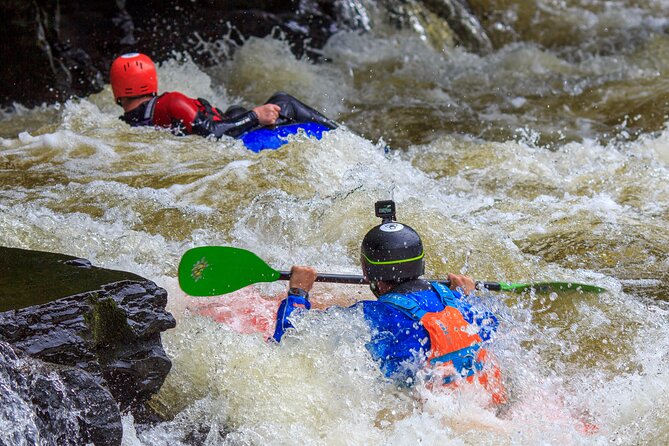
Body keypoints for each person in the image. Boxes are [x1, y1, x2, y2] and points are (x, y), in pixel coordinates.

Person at [272, 201, 507, 406]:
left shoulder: (372, 315)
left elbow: (292, 341)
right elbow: (493, 330)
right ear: (421, 265)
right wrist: (468, 296)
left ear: (366, 271)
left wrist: (298, 292)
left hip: (428, 418)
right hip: (486, 404)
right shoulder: (460, 303)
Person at [109, 53, 338, 139]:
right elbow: (212, 134)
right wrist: (255, 116)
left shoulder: (125, 125)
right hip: (232, 136)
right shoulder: (171, 102)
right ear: (151, 80)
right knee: (283, 100)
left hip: (224, 123)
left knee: (234, 109)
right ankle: (344, 137)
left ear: (117, 89)